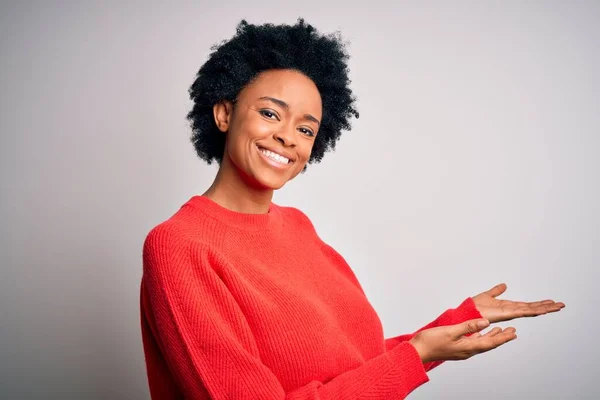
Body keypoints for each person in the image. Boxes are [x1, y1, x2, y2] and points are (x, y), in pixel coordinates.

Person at [139, 19, 565, 399]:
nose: (288, 137)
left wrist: (456, 324)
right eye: (270, 113)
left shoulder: (297, 226)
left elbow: (354, 368)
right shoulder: (180, 245)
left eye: (306, 128)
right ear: (224, 113)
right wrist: (414, 356)